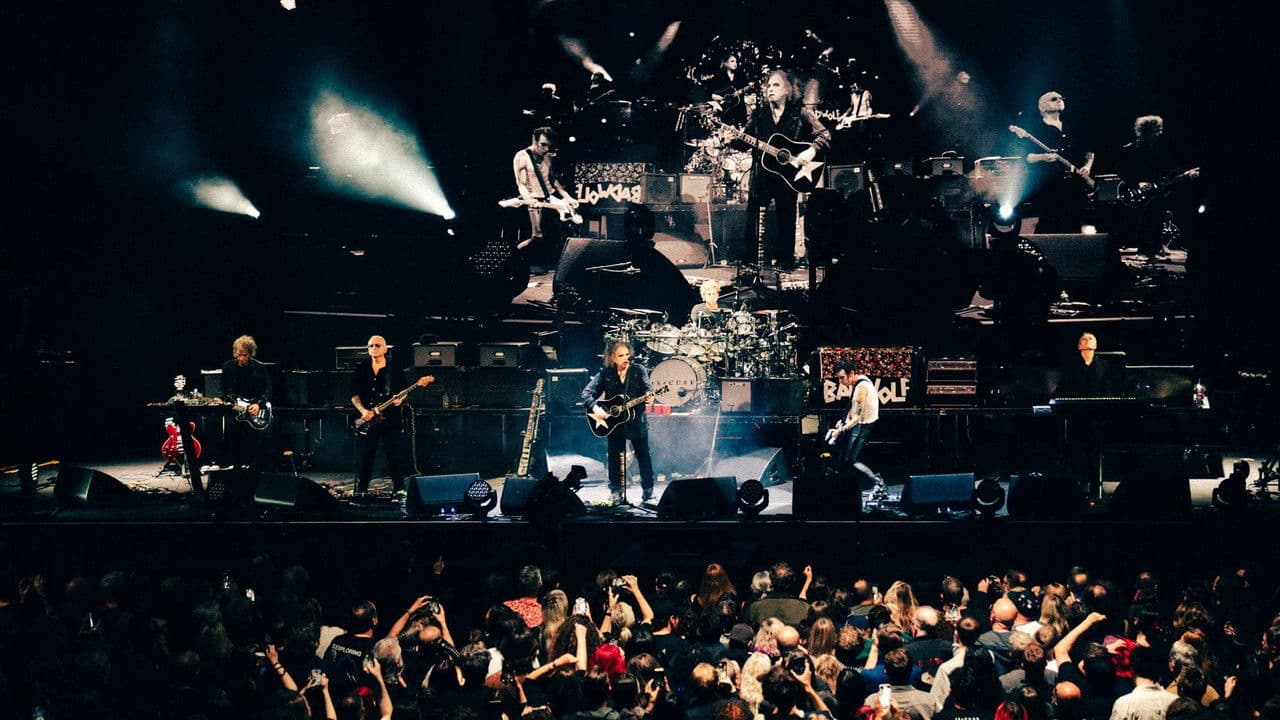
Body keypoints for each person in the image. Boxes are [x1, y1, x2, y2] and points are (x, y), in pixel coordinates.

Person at [738, 69, 832, 271]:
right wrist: (730, 137)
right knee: (753, 219)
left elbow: (824, 135)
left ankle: (785, 263)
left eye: (776, 85)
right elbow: (744, 142)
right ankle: (751, 264)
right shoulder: (759, 115)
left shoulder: (800, 113)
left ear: (787, 90)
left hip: (788, 176)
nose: (770, 89)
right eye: (768, 86)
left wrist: (811, 151)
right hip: (761, 175)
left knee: (786, 218)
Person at [581, 341, 657, 505]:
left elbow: (648, 388)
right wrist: (595, 408)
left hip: (637, 421)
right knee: (614, 457)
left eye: (627, 355)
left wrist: (650, 396)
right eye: (621, 355)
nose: (625, 358)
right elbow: (587, 393)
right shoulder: (606, 374)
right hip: (614, 423)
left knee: (643, 455)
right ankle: (616, 491)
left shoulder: (638, 370)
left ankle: (648, 491)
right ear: (612, 358)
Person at [1020, 91, 1094, 234]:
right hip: (1049, 185)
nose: (1059, 100)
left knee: (1074, 223)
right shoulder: (1035, 129)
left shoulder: (1072, 126)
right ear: (1042, 107)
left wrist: (1087, 167)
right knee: (1048, 223)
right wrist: (1043, 157)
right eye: (1054, 99)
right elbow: (1027, 157)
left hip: (1074, 184)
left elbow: (1089, 151)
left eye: (1061, 98)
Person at [513, 126, 580, 268]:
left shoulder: (547, 157)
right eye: (543, 145)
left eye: (549, 146)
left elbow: (552, 180)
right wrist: (529, 200)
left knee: (552, 236)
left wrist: (567, 197)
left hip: (548, 200)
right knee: (535, 237)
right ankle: (514, 260)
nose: (546, 149)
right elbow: (521, 184)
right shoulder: (522, 156)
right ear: (534, 140)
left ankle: (547, 266)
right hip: (532, 202)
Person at [350, 335, 406, 499]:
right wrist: (363, 411)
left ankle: (399, 488)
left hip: (390, 418)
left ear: (385, 349)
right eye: (371, 346)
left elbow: (403, 390)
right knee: (367, 454)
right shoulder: (362, 368)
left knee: (393, 453)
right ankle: (362, 488)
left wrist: (401, 399)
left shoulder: (394, 368)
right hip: (368, 419)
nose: (374, 348)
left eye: (377, 345)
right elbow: (354, 394)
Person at [827, 360, 884, 500]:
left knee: (851, 459)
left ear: (851, 373)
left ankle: (878, 483)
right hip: (859, 423)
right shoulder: (858, 382)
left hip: (863, 425)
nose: (840, 381)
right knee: (847, 457)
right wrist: (844, 421)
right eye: (838, 378)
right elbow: (853, 407)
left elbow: (858, 417)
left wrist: (841, 430)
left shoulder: (861, 388)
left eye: (842, 377)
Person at [220, 334, 272, 469]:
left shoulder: (259, 367)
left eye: (245, 355)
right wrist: (221, 398)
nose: (241, 358)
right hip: (235, 410)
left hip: (253, 409)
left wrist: (258, 404)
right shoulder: (228, 367)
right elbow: (223, 388)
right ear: (235, 353)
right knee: (233, 440)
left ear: (250, 354)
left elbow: (268, 388)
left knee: (251, 442)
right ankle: (236, 469)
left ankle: (252, 470)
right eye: (239, 355)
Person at [1055, 333, 1116, 398]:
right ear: (1079, 346)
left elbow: (1110, 390)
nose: (1087, 340)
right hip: (1076, 402)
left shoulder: (1105, 365)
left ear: (1095, 345)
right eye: (1084, 339)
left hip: (1098, 402)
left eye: (1090, 338)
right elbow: (1062, 389)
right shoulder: (1071, 366)